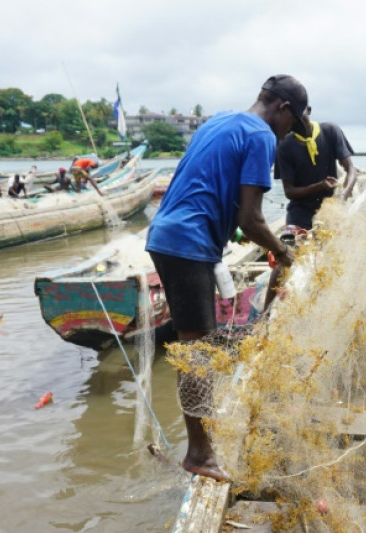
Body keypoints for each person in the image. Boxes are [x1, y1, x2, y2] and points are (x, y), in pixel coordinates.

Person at [144, 74, 305, 481]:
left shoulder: (220, 121)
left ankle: (203, 444)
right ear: (282, 109)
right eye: (292, 124)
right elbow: (251, 219)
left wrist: (232, 230)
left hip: (168, 236)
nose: (287, 134)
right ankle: (199, 454)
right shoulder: (262, 135)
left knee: (199, 344)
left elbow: (211, 192)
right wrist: (284, 252)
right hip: (188, 243)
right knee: (196, 353)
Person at [263, 107, 358, 311]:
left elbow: (351, 170)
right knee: (284, 260)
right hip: (299, 214)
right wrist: (320, 186)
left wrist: (343, 194)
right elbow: (289, 192)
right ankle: (264, 315)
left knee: (335, 261)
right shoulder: (284, 145)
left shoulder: (330, 131)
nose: (297, 117)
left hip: (329, 212)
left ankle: (330, 309)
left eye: (299, 109)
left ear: (308, 109)